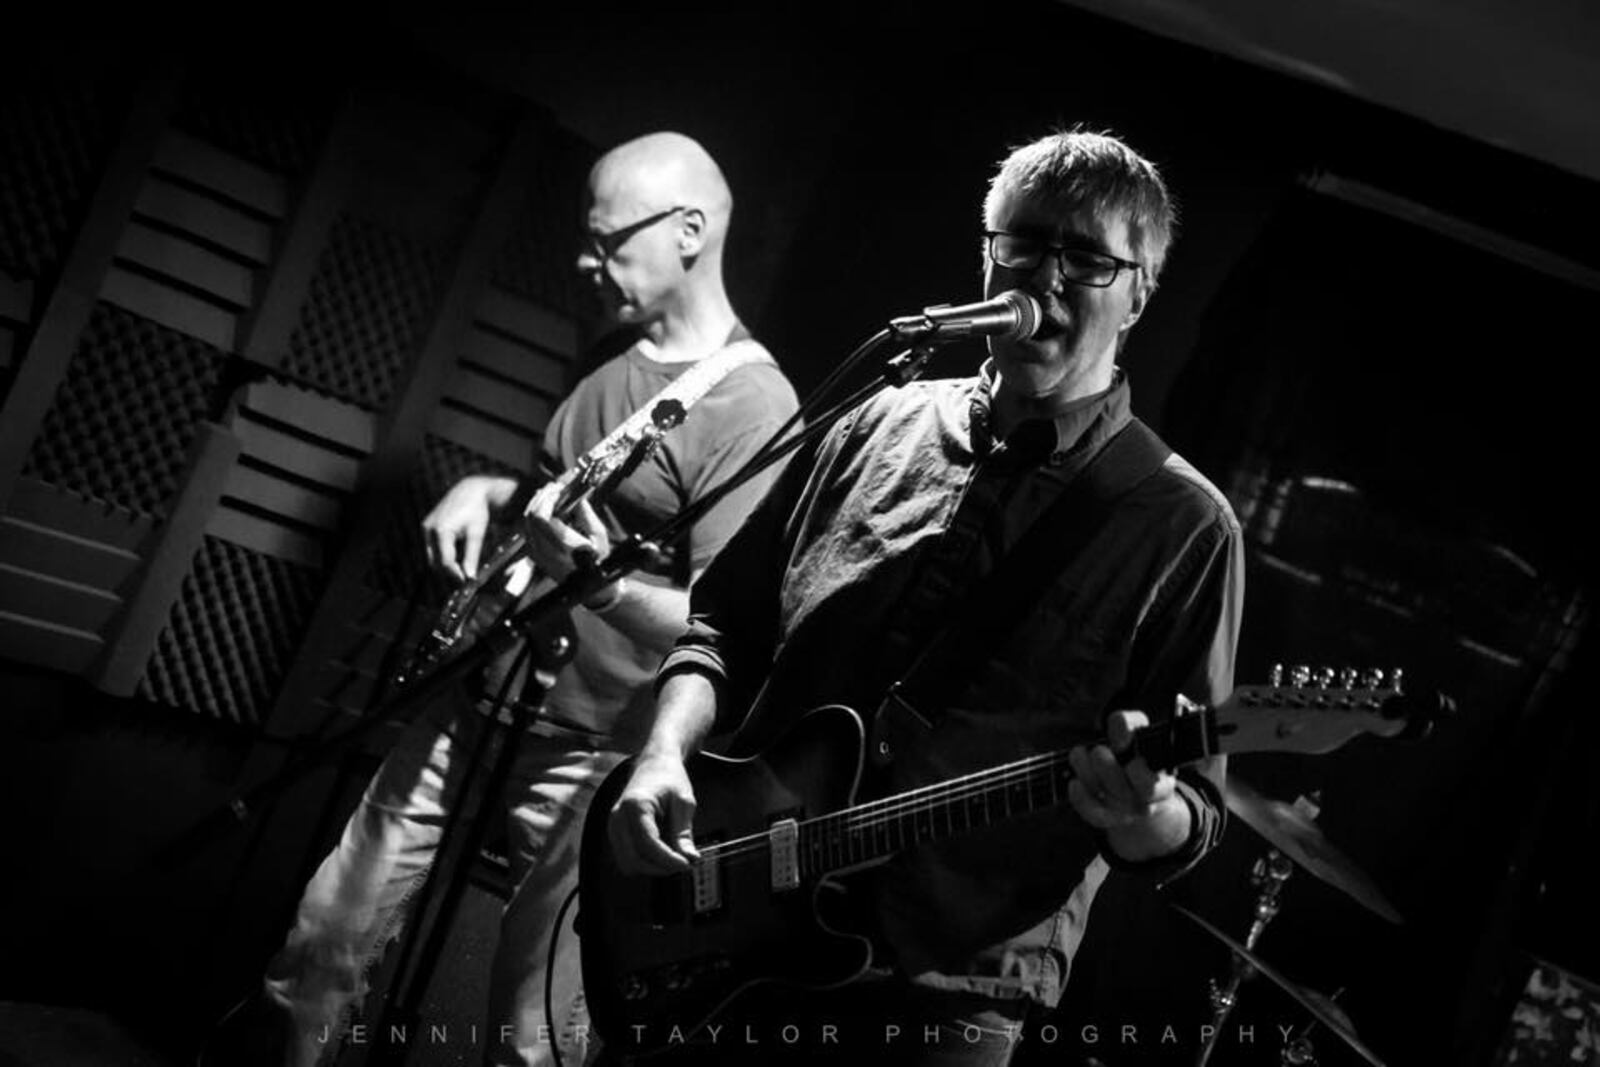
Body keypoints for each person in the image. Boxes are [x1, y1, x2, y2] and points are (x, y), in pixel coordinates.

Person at [606, 128, 1244, 1066]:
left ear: (1140, 291)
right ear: (987, 253)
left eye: (1087, 259)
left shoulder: (1184, 526)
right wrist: (662, 756)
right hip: (726, 923)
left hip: (943, 1002)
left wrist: (1140, 808)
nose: (1046, 278)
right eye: (1023, 244)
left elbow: (1193, 814)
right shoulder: (873, 421)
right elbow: (723, 622)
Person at [233, 131, 800, 1067]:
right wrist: (491, 490)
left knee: (533, 1033)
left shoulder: (750, 407)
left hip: (592, 746)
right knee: (322, 942)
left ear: (690, 231)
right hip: (475, 695)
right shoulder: (614, 361)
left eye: (611, 239)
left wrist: (605, 582)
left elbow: (715, 620)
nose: (589, 259)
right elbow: (569, 499)